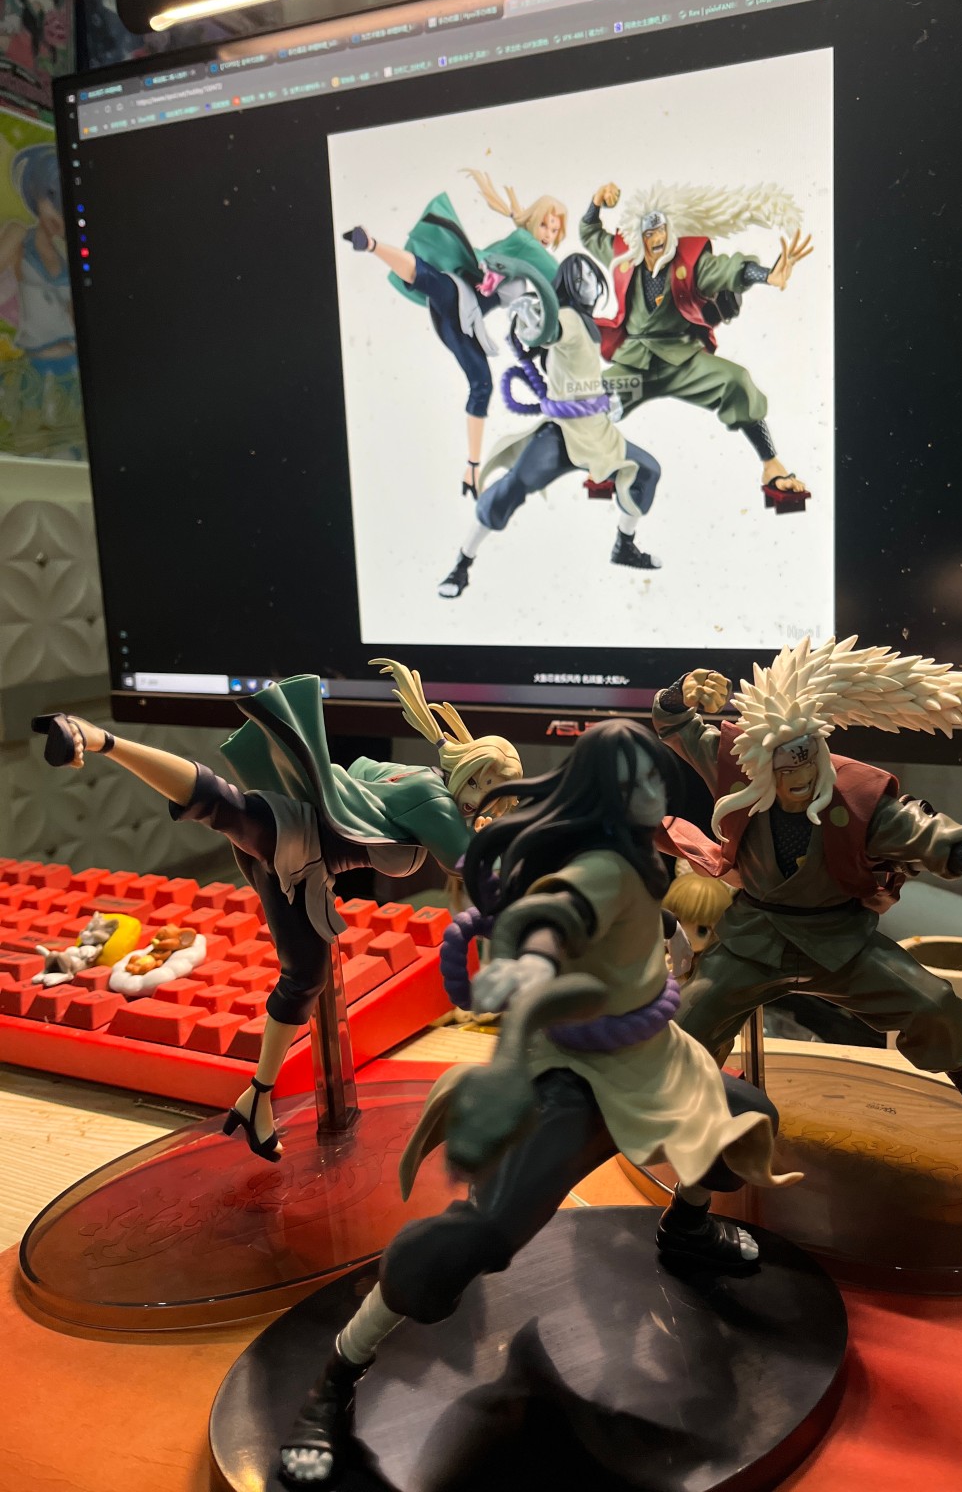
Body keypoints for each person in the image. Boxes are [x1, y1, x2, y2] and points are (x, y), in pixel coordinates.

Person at [279, 720, 800, 1486]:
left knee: (740, 1122)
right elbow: (557, 918)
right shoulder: (597, 867)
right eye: (637, 780)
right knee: (479, 1237)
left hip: (651, 1062)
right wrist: (533, 962)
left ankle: (686, 1231)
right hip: (576, 1079)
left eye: (653, 777)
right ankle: (335, 1377)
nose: (653, 791)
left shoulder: (641, 850)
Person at [32, 661, 521, 1161]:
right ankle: (100, 739)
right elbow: (467, 865)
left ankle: (256, 1100)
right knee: (223, 807)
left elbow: (362, 777)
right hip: (296, 842)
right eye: (486, 786)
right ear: (469, 771)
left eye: (497, 794)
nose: (487, 801)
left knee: (304, 975)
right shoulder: (435, 800)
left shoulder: (419, 776)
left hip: (302, 862)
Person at [653, 638, 962, 1195]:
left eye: (808, 760)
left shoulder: (855, 798)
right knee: (688, 1024)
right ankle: (699, 1122)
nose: (800, 778)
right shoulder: (736, 766)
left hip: (839, 941)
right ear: (761, 765)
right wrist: (680, 692)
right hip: (753, 937)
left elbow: (929, 836)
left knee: (937, 1008)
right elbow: (675, 724)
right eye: (786, 769)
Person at [437, 251, 663, 599]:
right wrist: (530, 320)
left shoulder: (586, 323)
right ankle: (462, 563)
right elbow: (547, 332)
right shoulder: (568, 317)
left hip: (598, 432)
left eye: (592, 275)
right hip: (563, 435)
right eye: (581, 276)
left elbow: (580, 369)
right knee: (513, 486)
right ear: (569, 283)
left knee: (647, 470)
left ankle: (624, 546)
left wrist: (605, 396)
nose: (590, 282)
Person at [581, 179, 813, 510]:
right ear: (638, 236)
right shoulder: (624, 255)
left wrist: (766, 275)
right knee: (592, 397)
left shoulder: (688, 262)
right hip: (636, 363)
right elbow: (590, 234)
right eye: (650, 233)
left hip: (683, 359)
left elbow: (728, 269)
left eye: (661, 231)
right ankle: (600, 460)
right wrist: (595, 203)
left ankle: (771, 465)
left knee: (736, 380)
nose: (657, 239)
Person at [341, 169, 565, 497]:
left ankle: (472, 468)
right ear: (533, 222)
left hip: (461, 322)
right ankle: (371, 244)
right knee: (433, 281)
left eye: (555, 229)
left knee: (482, 384)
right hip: (461, 295)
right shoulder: (527, 243)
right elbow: (558, 276)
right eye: (545, 224)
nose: (548, 234)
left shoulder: (523, 243)